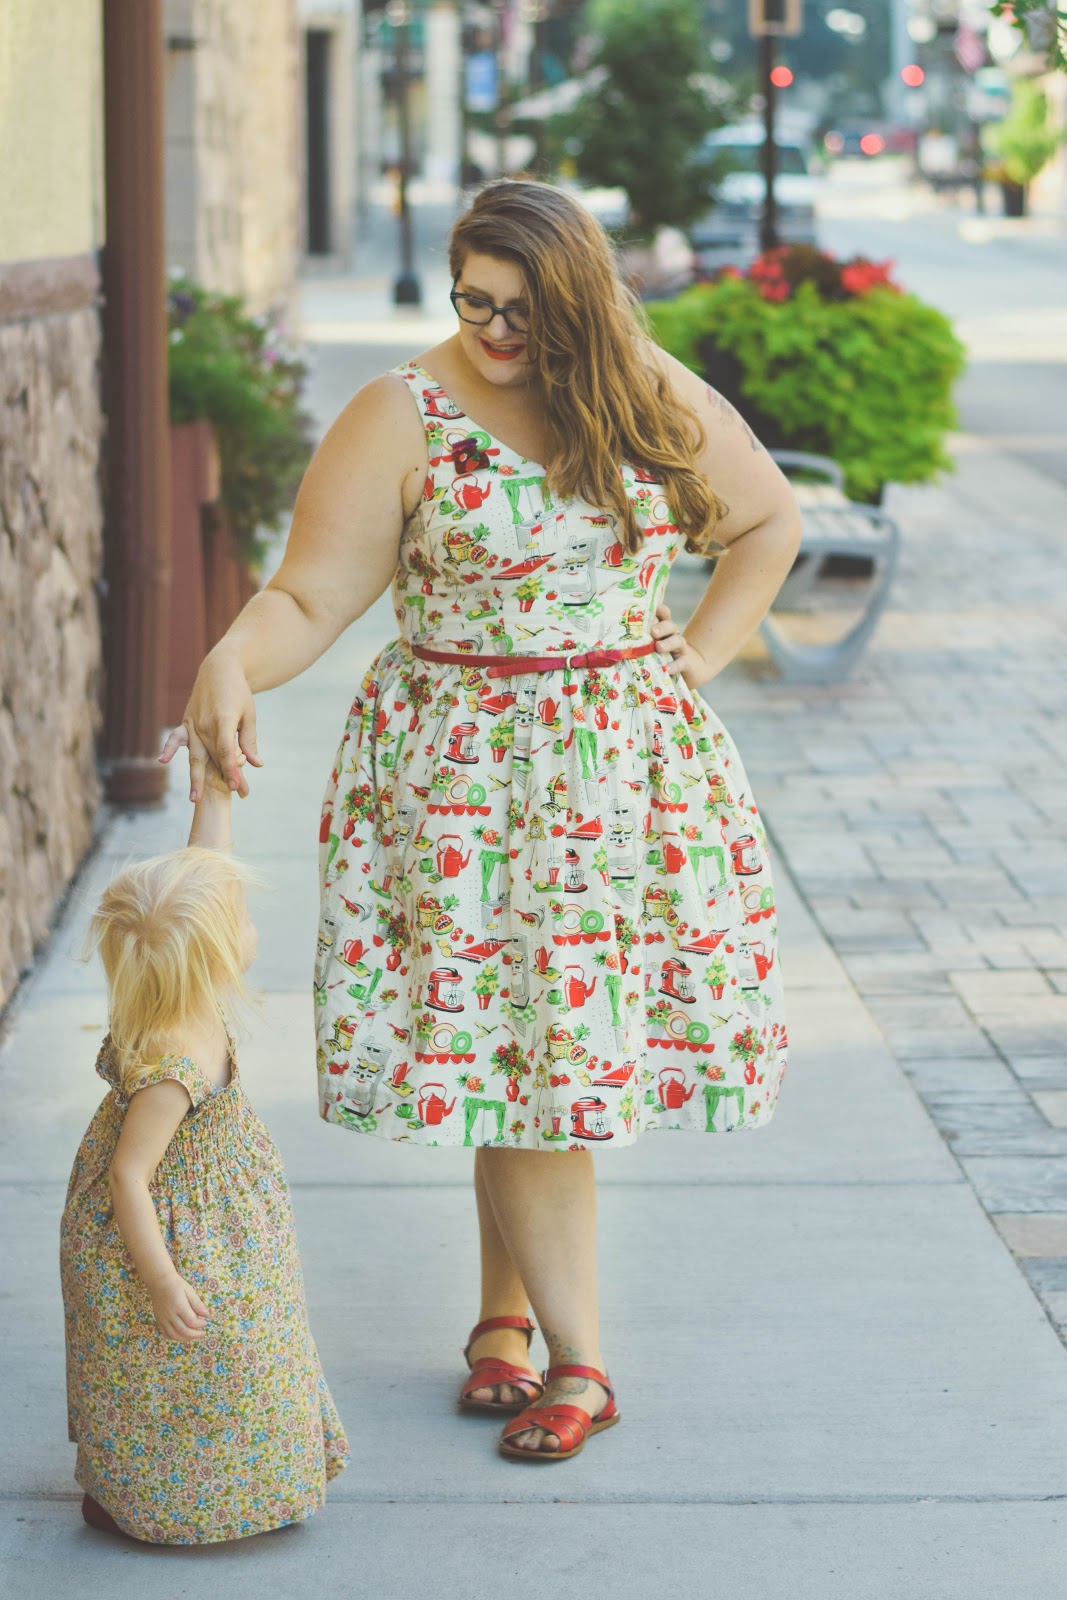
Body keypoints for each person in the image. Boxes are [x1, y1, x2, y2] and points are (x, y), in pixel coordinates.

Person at [161, 179, 802, 1462]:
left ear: (575, 299)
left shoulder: (634, 386)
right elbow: (309, 593)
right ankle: (579, 1360)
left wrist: (687, 659)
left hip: (618, 789)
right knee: (523, 1067)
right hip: (458, 785)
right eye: (472, 301)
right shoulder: (399, 412)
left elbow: (767, 518)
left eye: (519, 310)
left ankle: (512, 1327)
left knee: (538, 1065)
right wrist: (234, 654)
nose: (492, 332)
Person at [60, 746, 348, 1542]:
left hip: (214, 1206)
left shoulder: (178, 980)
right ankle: (164, 1494)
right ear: (217, 958)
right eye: (241, 921)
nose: (246, 920)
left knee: (244, 1347)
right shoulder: (171, 1064)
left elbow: (207, 865)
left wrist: (214, 783)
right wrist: (158, 1279)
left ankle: (242, 1478)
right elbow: (129, 1176)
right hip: (175, 1228)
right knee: (192, 1362)